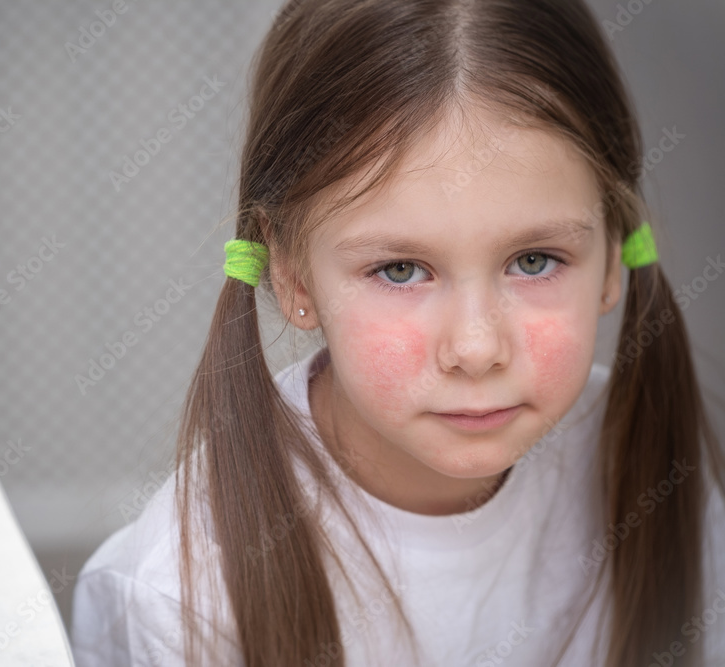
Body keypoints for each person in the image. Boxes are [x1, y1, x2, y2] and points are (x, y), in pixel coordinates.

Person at [71, 0, 725, 665]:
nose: (475, 348)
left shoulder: (657, 472)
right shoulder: (174, 601)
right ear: (294, 275)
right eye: (401, 269)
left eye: (534, 261)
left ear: (614, 254)